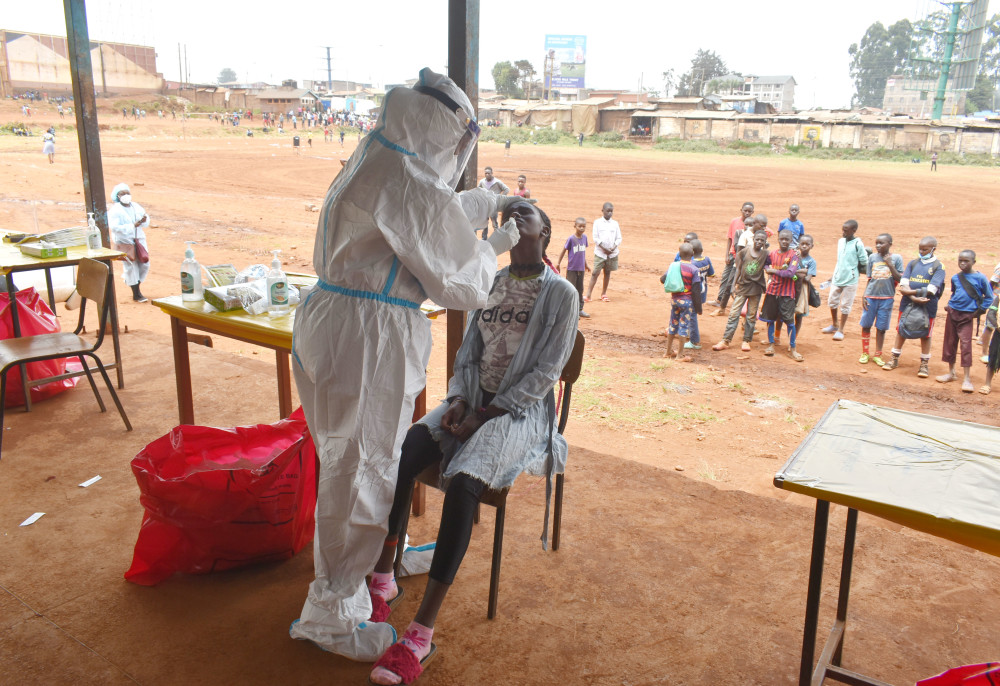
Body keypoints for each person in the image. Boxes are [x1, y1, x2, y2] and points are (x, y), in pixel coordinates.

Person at [289, 68, 527, 662]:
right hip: (368, 337)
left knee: (344, 462)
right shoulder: (405, 176)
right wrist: (496, 247)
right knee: (363, 469)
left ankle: (336, 587)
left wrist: (491, 202)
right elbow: (459, 281)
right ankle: (334, 614)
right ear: (447, 135)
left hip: (332, 321)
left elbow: (431, 216)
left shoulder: (377, 155)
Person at [366, 200, 578, 685]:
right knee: (409, 448)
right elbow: (468, 354)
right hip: (474, 400)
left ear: (545, 228)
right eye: (510, 211)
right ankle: (383, 576)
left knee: (463, 482)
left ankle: (420, 634)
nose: (516, 214)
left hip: (518, 411)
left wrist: (485, 415)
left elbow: (545, 374)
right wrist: (460, 400)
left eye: (528, 211)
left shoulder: (561, 294)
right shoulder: (494, 281)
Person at [882, 236, 946, 376]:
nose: (922, 252)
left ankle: (924, 364)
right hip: (908, 303)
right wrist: (913, 297)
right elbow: (903, 284)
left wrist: (909, 293)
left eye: (925, 249)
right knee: (901, 329)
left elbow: (932, 289)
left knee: (926, 334)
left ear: (933, 249)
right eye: (920, 249)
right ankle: (894, 358)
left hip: (928, 305)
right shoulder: (913, 263)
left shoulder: (939, 266)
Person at [936, 250, 994, 393]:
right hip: (953, 313)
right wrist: (949, 305)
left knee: (966, 345)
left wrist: (978, 312)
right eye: (960, 260)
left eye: (966, 261)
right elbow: (955, 293)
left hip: (967, 316)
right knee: (950, 342)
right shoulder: (956, 278)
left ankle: (967, 378)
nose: (962, 263)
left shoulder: (980, 278)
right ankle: (951, 373)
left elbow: (989, 297)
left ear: (974, 262)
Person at [712, 230, 770, 352]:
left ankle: (746, 340)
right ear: (753, 239)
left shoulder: (765, 254)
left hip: (756, 289)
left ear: (765, 242)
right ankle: (726, 340)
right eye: (757, 239)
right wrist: (734, 285)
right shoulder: (744, 252)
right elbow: (738, 269)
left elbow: (769, 268)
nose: (759, 242)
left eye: (762, 240)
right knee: (733, 313)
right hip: (743, 287)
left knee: (751, 316)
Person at [858, 233, 903, 367]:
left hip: (887, 298)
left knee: (881, 328)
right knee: (866, 325)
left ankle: (878, 354)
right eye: (876, 243)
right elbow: (870, 279)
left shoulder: (896, 258)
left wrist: (890, 265)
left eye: (881, 243)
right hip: (871, 296)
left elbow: (900, 279)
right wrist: (864, 295)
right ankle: (865, 352)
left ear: (890, 244)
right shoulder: (872, 257)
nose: (878, 245)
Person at [758, 229, 803, 361]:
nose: (784, 241)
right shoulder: (772, 254)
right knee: (770, 319)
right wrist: (768, 269)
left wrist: (773, 271)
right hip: (772, 291)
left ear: (791, 240)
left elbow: (790, 273)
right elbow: (766, 263)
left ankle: (793, 349)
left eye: (787, 239)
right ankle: (771, 345)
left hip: (787, 294)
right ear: (778, 239)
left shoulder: (794, 255)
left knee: (790, 321)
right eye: (782, 239)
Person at [821, 220, 867, 341]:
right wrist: (833, 275)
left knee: (846, 305)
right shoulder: (840, 242)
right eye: (843, 230)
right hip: (838, 277)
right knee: (832, 301)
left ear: (854, 231)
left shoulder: (858, 244)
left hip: (851, 279)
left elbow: (864, 261)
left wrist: (853, 270)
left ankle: (841, 329)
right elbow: (839, 260)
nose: (843, 232)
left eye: (846, 231)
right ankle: (834, 324)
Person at [108, 183, 150, 303]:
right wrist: (132, 226)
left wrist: (143, 221)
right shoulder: (115, 210)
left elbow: (145, 219)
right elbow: (115, 227)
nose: (126, 195)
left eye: (127, 193)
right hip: (124, 241)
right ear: (117, 196)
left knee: (144, 263)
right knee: (131, 266)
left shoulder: (136, 206)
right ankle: (136, 293)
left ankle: (133, 283)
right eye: (122, 193)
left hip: (139, 240)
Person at [660, 242, 702, 362]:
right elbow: (696, 291)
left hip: (674, 300)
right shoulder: (694, 269)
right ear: (692, 254)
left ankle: (668, 352)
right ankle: (680, 355)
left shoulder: (674, 266)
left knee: (673, 324)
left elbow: (663, 279)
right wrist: (698, 308)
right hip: (687, 302)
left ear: (679, 253)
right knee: (684, 326)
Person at [715, 201, 754, 314]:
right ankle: (720, 300)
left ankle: (731, 306)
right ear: (741, 210)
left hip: (744, 260)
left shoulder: (753, 225)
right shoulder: (735, 223)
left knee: (735, 282)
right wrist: (727, 254)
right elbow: (730, 239)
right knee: (725, 278)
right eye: (745, 210)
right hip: (733, 256)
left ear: (752, 212)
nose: (747, 213)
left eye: (749, 211)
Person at [584, 202, 621, 303]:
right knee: (595, 273)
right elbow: (595, 238)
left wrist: (612, 248)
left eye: (611, 211)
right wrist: (604, 248)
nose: (610, 213)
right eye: (608, 211)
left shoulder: (615, 224)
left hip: (612, 253)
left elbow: (619, 238)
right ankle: (588, 295)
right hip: (600, 253)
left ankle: (603, 294)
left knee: (607, 272)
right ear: (602, 211)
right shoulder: (597, 223)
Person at [556, 217, 591, 318]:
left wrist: (586, 264)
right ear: (575, 226)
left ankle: (579, 309)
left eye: (584, 226)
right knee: (571, 289)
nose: (581, 228)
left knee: (580, 289)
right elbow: (563, 250)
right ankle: (569, 311)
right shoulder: (571, 239)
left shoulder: (584, 238)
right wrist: (558, 263)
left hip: (581, 269)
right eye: (579, 226)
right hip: (572, 269)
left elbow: (582, 253)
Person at [685, 238, 713, 350]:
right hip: (703, 292)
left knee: (692, 315)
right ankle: (688, 332)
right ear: (702, 249)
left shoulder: (692, 264)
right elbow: (711, 274)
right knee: (692, 314)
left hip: (693, 293)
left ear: (691, 252)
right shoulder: (707, 259)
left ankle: (694, 341)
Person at [977, 261, 1000, 363]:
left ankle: (982, 339)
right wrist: (987, 298)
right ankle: (984, 353)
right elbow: (991, 283)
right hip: (996, 301)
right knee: (990, 326)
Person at [794, 235, 817, 334]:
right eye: (802, 244)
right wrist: (805, 271)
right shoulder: (793, 257)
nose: (804, 246)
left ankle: (793, 338)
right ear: (798, 245)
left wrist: (797, 272)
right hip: (791, 287)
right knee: (785, 312)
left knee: (799, 315)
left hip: (802, 290)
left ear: (812, 246)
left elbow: (808, 278)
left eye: (807, 244)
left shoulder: (812, 261)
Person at [477, 167, 510, 238]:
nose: (487, 174)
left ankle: (496, 237)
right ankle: (484, 238)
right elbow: (478, 190)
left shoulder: (497, 182)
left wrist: (500, 197)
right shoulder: (482, 182)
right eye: (486, 173)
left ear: (492, 173)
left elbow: (507, 189)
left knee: (494, 223)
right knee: (484, 222)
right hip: (485, 205)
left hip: (494, 206)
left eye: (489, 173)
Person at [981, 292, 999, 394]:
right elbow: (991, 314)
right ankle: (987, 384)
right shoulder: (999, 298)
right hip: (999, 333)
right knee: (993, 358)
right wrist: (998, 326)